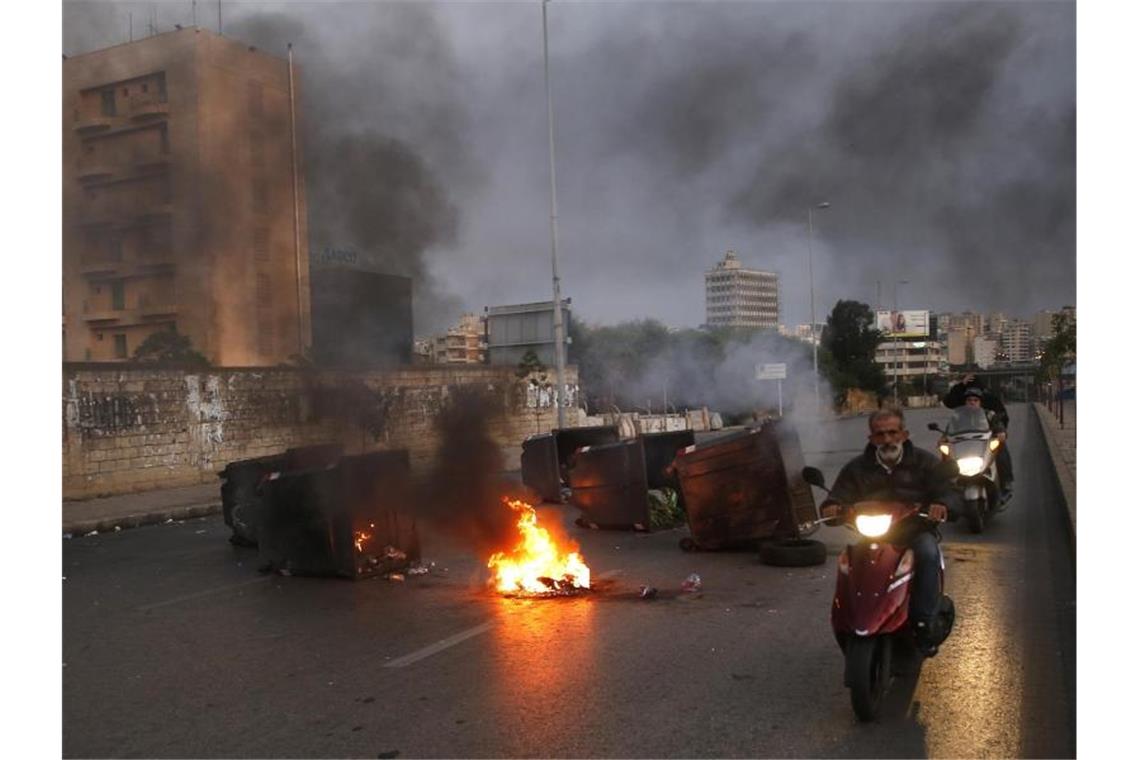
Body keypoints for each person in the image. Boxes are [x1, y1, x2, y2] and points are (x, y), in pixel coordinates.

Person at [820, 407, 955, 655]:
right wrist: (832, 507)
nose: (887, 439)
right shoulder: (857, 468)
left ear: (904, 434)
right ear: (871, 439)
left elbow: (945, 489)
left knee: (927, 552)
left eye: (892, 433)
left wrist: (941, 504)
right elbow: (839, 494)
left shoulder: (925, 463)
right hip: (874, 534)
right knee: (849, 562)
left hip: (914, 531)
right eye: (880, 434)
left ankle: (924, 621)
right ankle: (850, 618)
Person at [942, 375, 1013, 502]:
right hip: (963, 442)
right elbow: (948, 405)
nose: (972, 402)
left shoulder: (989, 412)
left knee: (1001, 451)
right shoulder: (958, 415)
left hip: (986, 440)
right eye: (969, 399)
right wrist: (943, 440)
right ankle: (945, 490)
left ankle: (1005, 484)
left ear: (980, 400)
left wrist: (1001, 432)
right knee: (945, 455)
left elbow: (1000, 420)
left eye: (975, 399)